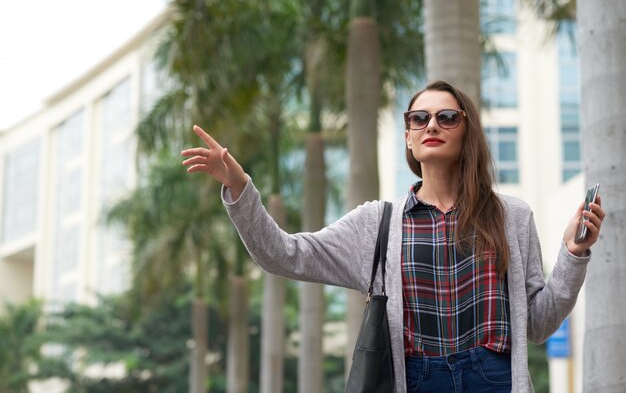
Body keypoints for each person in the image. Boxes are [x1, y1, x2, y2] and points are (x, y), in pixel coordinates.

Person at [181, 80, 604, 393]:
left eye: (447, 116)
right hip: (416, 380)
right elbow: (284, 254)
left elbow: (540, 322)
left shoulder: (511, 215)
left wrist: (573, 253)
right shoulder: (377, 224)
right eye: (419, 118)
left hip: (494, 379)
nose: (431, 124)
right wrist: (239, 188)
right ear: (408, 136)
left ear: (466, 130)